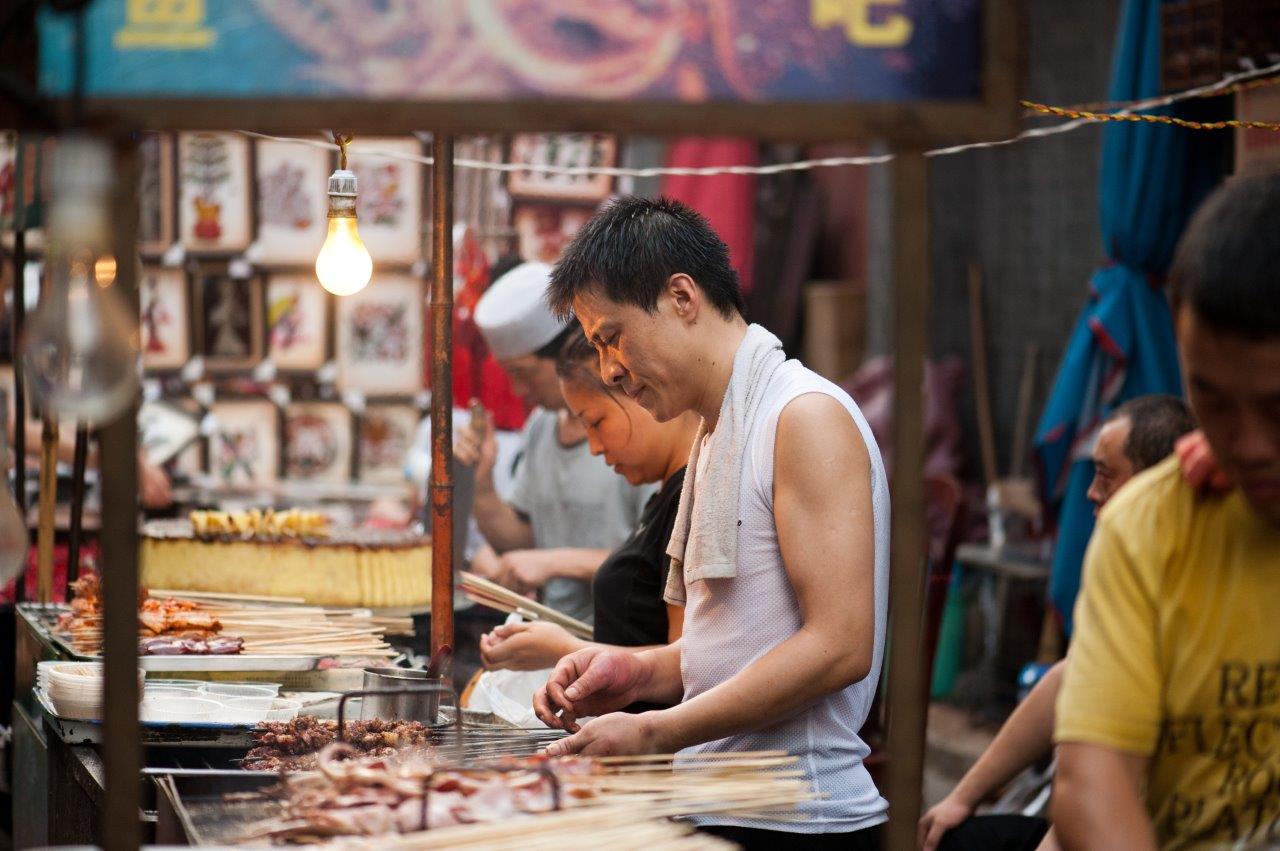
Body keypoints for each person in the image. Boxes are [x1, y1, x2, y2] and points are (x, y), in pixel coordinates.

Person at [533, 196, 889, 849]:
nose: (611, 369)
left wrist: (655, 730)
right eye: (597, 347)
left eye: (612, 336)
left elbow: (840, 644)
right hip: (722, 804)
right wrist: (634, 673)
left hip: (795, 819)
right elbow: (735, 649)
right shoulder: (715, 435)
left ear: (681, 297)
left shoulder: (802, 417)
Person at [1052, 173, 1280, 850]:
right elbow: (1091, 781)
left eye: (1278, 407)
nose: (1248, 445)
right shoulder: (1149, 526)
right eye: (1212, 400)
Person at [918, 394, 1195, 851]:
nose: (1090, 491)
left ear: (1155, 484)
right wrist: (962, 797)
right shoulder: (1124, 563)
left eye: (1105, 475)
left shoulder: (1182, 594)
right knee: (952, 838)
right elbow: (1068, 678)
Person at [479, 330, 697, 673]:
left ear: (641, 392)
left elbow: (692, 667)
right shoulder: (665, 496)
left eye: (596, 423)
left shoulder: (693, 500)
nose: (594, 447)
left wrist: (567, 650)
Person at [455, 261, 651, 623]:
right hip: (552, 638)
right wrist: (481, 486)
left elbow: (659, 563)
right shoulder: (543, 426)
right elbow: (524, 541)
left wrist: (554, 562)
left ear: (567, 355)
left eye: (523, 374)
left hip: (621, 645)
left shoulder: (640, 425)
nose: (517, 390)